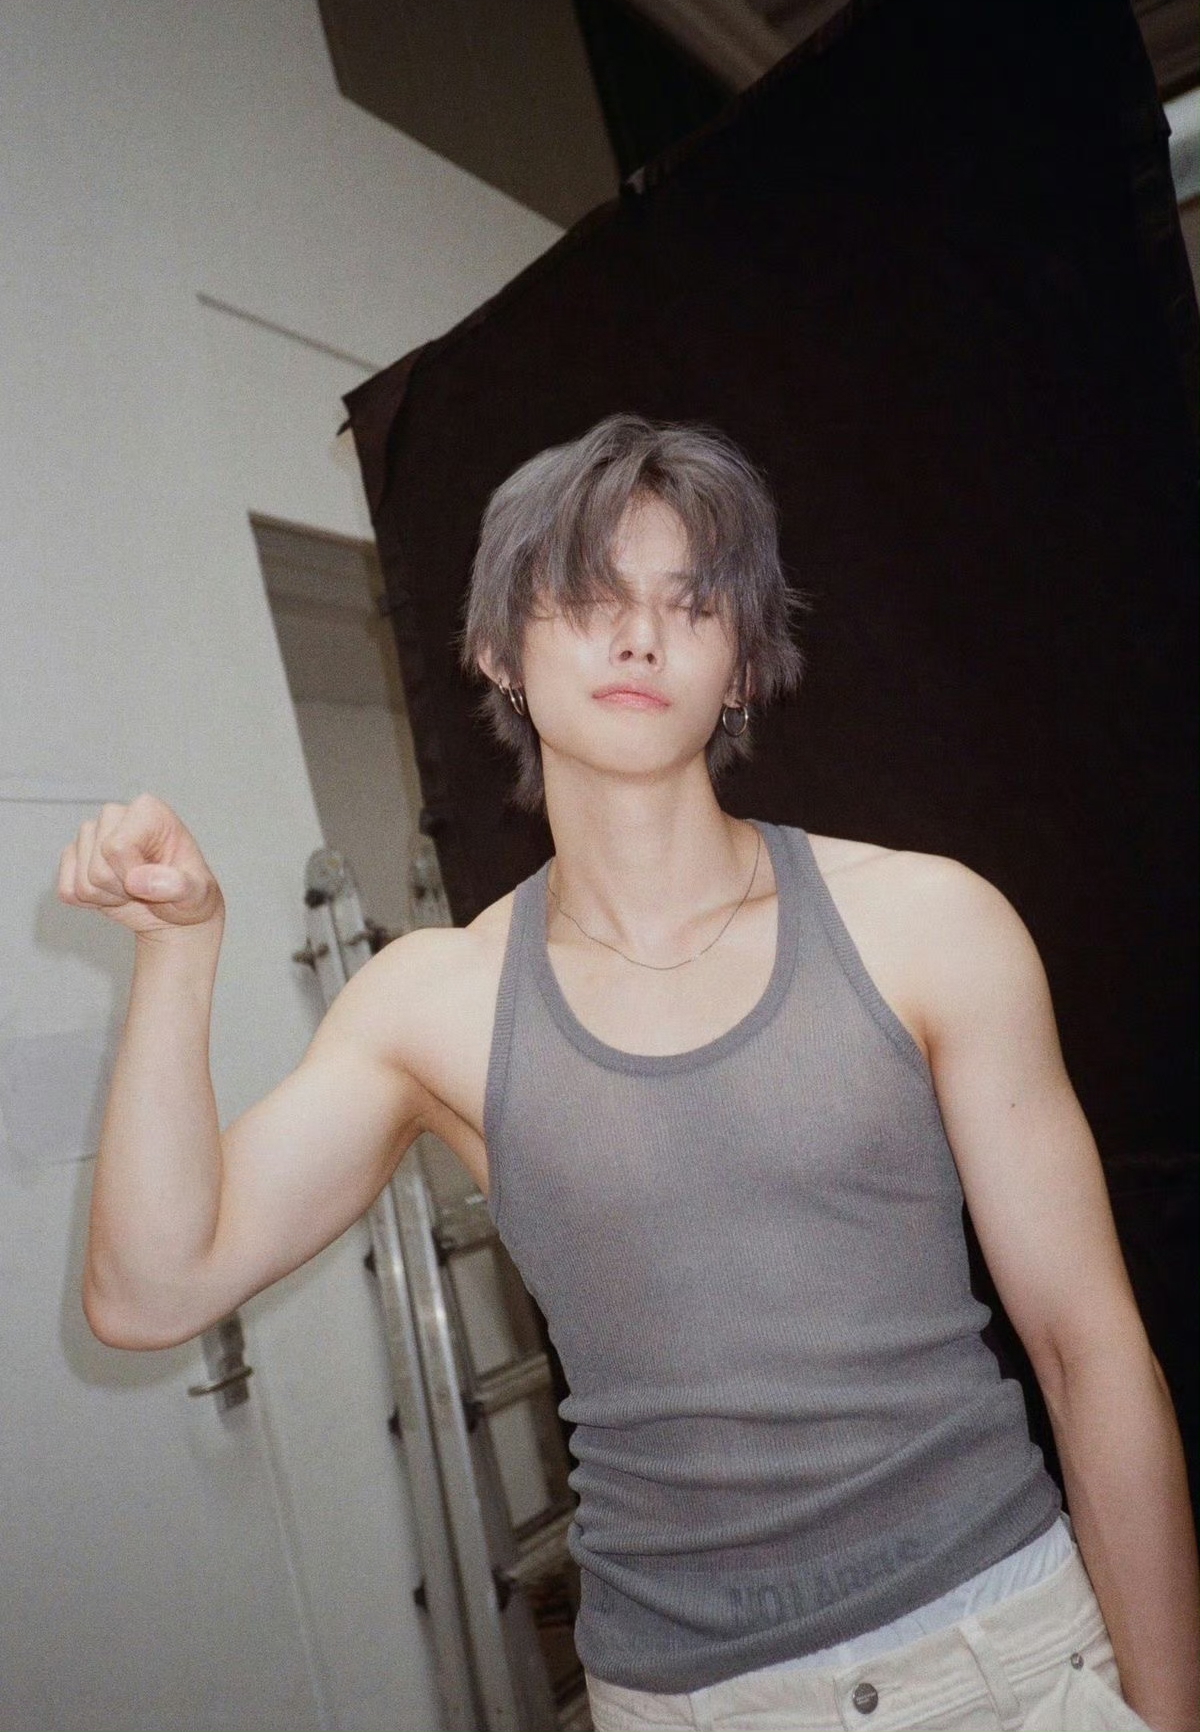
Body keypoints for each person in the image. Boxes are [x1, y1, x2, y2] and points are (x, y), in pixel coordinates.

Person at [59, 414, 1197, 1732]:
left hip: (1001, 1650)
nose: (641, 635)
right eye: (592, 595)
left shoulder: (931, 924)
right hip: (684, 1698)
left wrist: (1167, 1711)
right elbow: (150, 1290)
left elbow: (1087, 1345)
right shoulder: (435, 1000)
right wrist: (178, 951)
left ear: (744, 667)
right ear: (498, 648)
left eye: (692, 602)